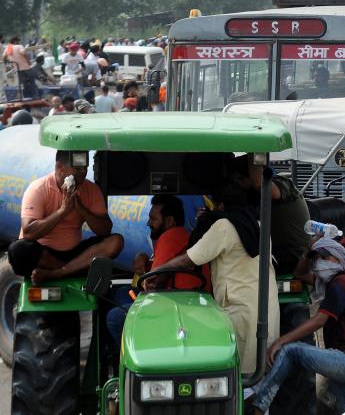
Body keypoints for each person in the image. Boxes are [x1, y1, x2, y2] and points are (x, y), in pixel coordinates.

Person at [151, 183, 280, 373]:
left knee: (237, 372)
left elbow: (190, 259)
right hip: (265, 304)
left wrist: (156, 271)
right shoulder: (257, 225)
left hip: (240, 306)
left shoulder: (224, 226)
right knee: (259, 366)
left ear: (220, 206)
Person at [248, 237, 345, 415]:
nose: (317, 264)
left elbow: (318, 321)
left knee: (291, 350)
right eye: (315, 260)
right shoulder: (333, 283)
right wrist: (307, 251)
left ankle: (258, 407)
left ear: (336, 258)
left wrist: (280, 341)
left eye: (322, 258)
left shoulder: (341, 284)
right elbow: (299, 274)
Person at [106, 195, 208, 346]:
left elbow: (152, 284)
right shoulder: (184, 236)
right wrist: (142, 257)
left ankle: (135, 354)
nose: (149, 223)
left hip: (178, 309)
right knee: (121, 293)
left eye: (153, 219)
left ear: (169, 221)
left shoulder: (170, 237)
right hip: (189, 303)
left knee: (115, 317)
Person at [8, 150, 123, 282]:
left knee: (116, 241)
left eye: (85, 168)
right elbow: (29, 233)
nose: (83, 172)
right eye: (77, 168)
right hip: (44, 255)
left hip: (74, 253)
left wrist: (82, 209)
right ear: (59, 168)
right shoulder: (39, 189)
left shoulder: (90, 189)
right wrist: (62, 211)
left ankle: (59, 273)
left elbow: (105, 230)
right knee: (17, 250)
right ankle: (71, 270)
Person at [231, 154, 311, 275]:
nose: (238, 184)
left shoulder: (283, 185)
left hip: (291, 258)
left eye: (240, 179)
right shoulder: (252, 195)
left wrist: (254, 150)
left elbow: (259, 183)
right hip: (281, 255)